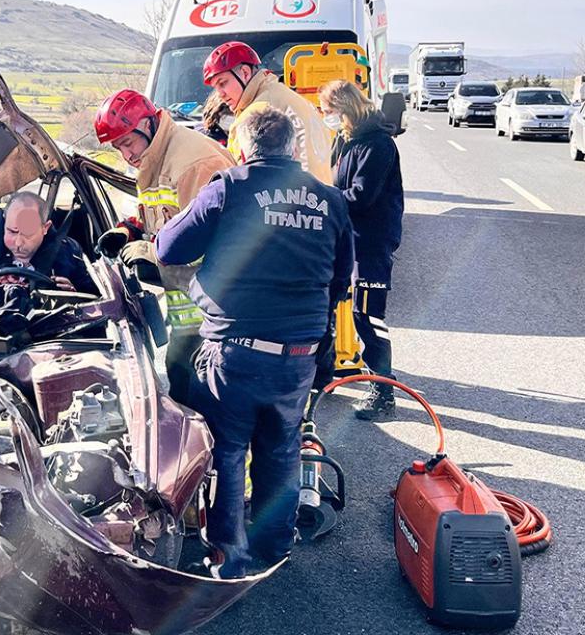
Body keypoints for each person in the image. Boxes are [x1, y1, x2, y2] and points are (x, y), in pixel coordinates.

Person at [155, 106, 353, 578]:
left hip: (235, 351)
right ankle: (275, 546)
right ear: (293, 149)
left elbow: (168, 248)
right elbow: (341, 277)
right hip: (299, 354)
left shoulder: (230, 187)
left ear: (242, 149)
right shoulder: (330, 200)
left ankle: (230, 557)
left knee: (226, 450)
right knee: (281, 449)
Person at [93, 89, 234, 404]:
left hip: (217, 314)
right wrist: (127, 231)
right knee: (181, 384)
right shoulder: (156, 159)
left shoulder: (193, 164)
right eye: (118, 148)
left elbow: (212, 244)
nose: (127, 156)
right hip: (192, 312)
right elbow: (159, 216)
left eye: (128, 143)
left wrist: (152, 255)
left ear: (147, 124)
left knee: (201, 400)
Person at [316, 79, 404, 421]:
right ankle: (321, 377)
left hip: (371, 243)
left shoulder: (378, 144)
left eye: (329, 111)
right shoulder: (345, 140)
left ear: (345, 108)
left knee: (368, 317)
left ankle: (383, 393)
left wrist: (322, 199)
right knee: (327, 305)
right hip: (345, 239)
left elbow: (361, 196)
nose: (326, 117)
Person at [201, 41, 333, 184]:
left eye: (222, 83)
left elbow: (241, 180)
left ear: (245, 72)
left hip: (289, 196)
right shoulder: (286, 96)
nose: (220, 94)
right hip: (319, 192)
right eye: (216, 88)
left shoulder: (255, 116)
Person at [0, 191, 95, 293]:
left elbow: (94, 300)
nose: (18, 243)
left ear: (45, 228)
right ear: (4, 223)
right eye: (12, 231)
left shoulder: (69, 255)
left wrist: (73, 294)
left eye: (27, 234)